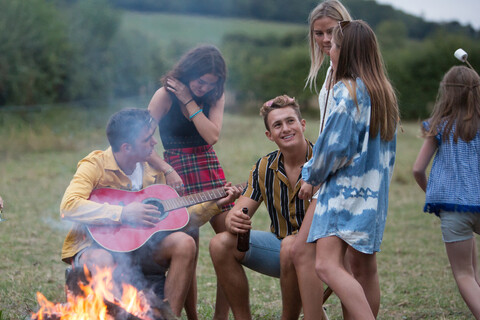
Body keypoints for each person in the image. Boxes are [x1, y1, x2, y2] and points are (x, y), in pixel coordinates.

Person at [60, 108, 241, 318]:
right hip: (98, 246)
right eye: (147, 139)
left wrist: (215, 204)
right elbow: (69, 206)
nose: (155, 143)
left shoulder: (154, 171)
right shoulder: (95, 165)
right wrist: (124, 213)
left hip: (143, 247)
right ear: (126, 147)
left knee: (184, 242)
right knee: (100, 260)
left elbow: (178, 218)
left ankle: (167, 316)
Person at [299, 20, 399, 319]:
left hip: (344, 193)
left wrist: (310, 176)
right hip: (373, 195)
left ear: (346, 51)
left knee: (325, 265)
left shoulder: (348, 91)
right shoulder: (383, 92)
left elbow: (333, 149)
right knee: (364, 268)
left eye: (334, 46)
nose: (329, 51)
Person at [209, 95, 327, 320]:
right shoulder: (264, 167)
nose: (285, 129)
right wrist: (233, 218)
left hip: (322, 252)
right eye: (277, 125)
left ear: (302, 124)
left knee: (291, 245)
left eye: (290, 121)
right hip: (281, 248)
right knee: (220, 243)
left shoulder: (322, 161)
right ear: (269, 135)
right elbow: (241, 210)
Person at [281, 2, 354, 319]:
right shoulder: (330, 69)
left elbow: (341, 136)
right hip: (328, 177)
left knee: (344, 263)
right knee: (321, 258)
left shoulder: (353, 71)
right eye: (318, 33)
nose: (324, 39)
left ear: (346, 28)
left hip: (342, 178)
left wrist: (313, 174)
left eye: (331, 31)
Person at [147, 44, 231, 319]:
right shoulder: (164, 95)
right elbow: (142, 142)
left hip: (207, 167)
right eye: (200, 81)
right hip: (176, 172)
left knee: (229, 243)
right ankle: (192, 316)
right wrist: (165, 169)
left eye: (210, 83)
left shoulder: (214, 96)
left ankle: (221, 316)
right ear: (187, 71)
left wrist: (189, 100)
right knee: (189, 247)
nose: (204, 87)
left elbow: (212, 136)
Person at [413, 65, 480, 319]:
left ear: (446, 93)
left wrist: (433, 195)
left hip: (452, 209)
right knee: (471, 271)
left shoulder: (439, 126)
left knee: (464, 274)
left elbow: (418, 169)